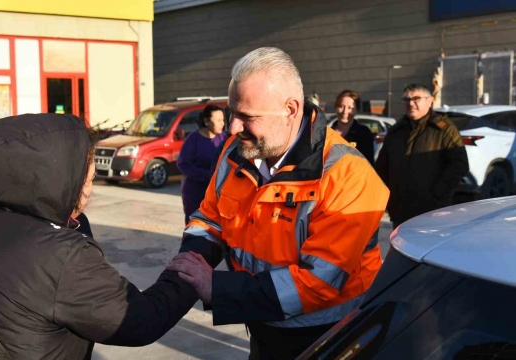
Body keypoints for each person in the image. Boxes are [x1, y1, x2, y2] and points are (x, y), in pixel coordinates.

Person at [166, 47, 390, 360]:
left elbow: (318, 282)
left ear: (290, 109)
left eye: (246, 116)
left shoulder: (347, 175)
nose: (232, 127)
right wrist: (190, 264)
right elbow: (210, 217)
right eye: (232, 113)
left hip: (328, 337)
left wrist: (218, 289)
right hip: (262, 324)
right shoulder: (238, 149)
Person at [0, 113, 199, 359]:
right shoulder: (59, 254)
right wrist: (191, 270)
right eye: (85, 180)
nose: (89, 190)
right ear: (53, 179)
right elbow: (140, 320)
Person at [375, 83, 468, 229]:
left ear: (429, 101)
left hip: (431, 212)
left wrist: (437, 194)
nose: (411, 104)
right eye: (406, 100)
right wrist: (388, 199)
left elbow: (459, 165)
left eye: (416, 99)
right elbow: (382, 168)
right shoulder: (396, 131)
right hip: (400, 211)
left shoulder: (443, 129)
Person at [177, 105, 228, 224]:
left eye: (223, 120)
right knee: (196, 225)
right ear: (206, 121)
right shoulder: (193, 139)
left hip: (217, 192)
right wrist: (207, 175)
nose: (222, 124)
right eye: (218, 120)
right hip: (195, 191)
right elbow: (183, 164)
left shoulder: (225, 138)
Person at [331, 90, 375, 163]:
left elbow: (368, 164)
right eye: (341, 106)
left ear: (356, 110)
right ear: (336, 107)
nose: (345, 112)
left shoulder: (363, 133)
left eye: (350, 108)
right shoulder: (327, 133)